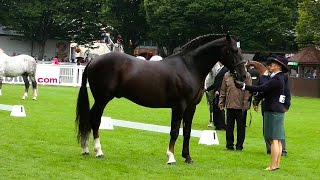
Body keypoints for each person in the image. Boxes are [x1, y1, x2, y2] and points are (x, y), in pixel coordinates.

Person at [234, 55, 290, 171]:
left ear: (279, 66)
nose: (270, 66)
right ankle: (276, 164)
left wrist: (244, 86)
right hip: (277, 110)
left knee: (273, 139)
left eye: (273, 64)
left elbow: (262, 88)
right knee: (277, 140)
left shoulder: (276, 79)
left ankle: (273, 165)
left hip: (272, 110)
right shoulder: (278, 78)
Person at [252, 59, 291, 157]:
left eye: (271, 65)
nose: (269, 67)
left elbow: (286, 91)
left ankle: (282, 150)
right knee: (267, 128)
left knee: (278, 130)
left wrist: (286, 104)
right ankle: (270, 149)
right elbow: (262, 89)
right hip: (267, 104)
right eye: (268, 65)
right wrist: (256, 100)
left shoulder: (281, 76)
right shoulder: (265, 76)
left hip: (277, 105)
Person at [219, 70, 252, 151]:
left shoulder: (246, 75)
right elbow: (223, 89)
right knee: (229, 127)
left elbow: (248, 90)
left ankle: (239, 146)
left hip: (241, 107)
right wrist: (221, 102)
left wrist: (245, 104)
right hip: (230, 105)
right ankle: (229, 145)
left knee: (241, 128)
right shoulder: (227, 75)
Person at [206, 64, 228, 130]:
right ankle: (217, 124)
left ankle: (222, 125)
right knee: (216, 108)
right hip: (216, 91)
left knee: (220, 107)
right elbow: (216, 82)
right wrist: (208, 89)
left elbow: (223, 82)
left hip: (220, 91)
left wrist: (218, 90)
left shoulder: (225, 69)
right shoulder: (220, 69)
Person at [204, 63, 221, 127]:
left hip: (216, 85)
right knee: (211, 104)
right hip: (209, 84)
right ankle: (211, 120)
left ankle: (219, 120)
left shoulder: (218, 65)